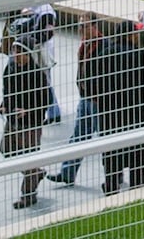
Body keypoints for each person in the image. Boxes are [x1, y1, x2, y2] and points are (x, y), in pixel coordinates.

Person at [89, 19, 144, 195]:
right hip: (136, 114)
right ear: (130, 35)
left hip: (111, 116)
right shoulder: (138, 54)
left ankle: (111, 190)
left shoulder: (103, 54)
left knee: (112, 156)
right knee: (136, 158)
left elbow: (93, 86)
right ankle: (137, 192)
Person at [48, 14, 103, 187]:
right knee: (78, 137)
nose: (81, 30)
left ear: (95, 27)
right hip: (85, 98)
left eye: (85, 26)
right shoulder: (84, 45)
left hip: (98, 102)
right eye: (80, 26)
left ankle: (115, 176)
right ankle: (67, 173)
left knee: (105, 139)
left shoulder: (103, 46)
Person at [0, 39, 52, 210]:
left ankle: (28, 195)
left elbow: (46, 100)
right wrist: (4, 105)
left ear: (28, 53)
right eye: (14, 51)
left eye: (19, 52)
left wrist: (28, 111)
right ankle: (36, 172)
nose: (16, 55)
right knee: (6, 150)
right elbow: (7, 91)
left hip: (30, 123)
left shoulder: (37, 74)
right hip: (12, 120)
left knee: (28, 158)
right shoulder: (10, 69)